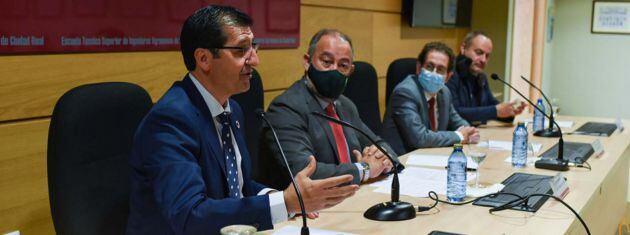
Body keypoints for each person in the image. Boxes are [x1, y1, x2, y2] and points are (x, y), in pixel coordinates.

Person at [126, 6, 359, 234]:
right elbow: (189, 215)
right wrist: (285, 204)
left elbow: (238, 188)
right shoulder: (171, 120)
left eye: (254, 48)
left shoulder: (232, 109)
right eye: (241, 50)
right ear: (204, 58)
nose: (255, 60)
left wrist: (285, 198)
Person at [258, 29, 400, 190]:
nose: (334, 70)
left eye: (343, 65)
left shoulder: (345, 105)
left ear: (350, 71)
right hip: (308, 210)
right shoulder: (286, 108)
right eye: (326, 62)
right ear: (307, 61)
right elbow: (305, 173)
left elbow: (380, 144)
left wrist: (384, 160)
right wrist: (364, 170)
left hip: (351, 197)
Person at [382, 42, 479, 154]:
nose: (433, 73)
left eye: (440, 69)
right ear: (419, 68)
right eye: (429, 66)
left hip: (431, 156)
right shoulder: (405, 92)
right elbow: (420, 138)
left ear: (448, 76)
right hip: (402, 161)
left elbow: (458, 122)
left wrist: (469, 132)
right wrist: (459, 136)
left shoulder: (444, 92)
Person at [446, 31, 526, 126]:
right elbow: (454, 113)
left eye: (487, 56)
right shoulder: (449, 73)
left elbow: (490, 104)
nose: (483, 60)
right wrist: (495, 111)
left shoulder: (480, 76)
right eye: (479, 53)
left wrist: (509, 111)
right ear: (463, 48)